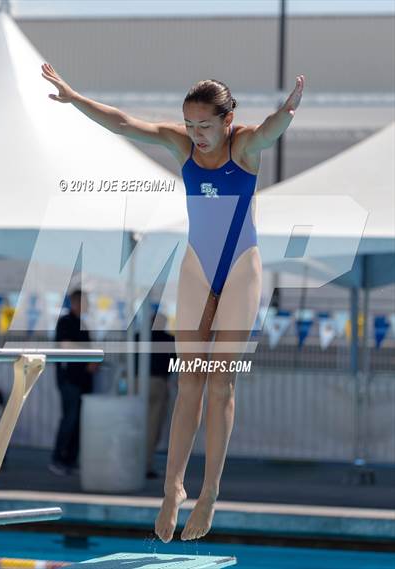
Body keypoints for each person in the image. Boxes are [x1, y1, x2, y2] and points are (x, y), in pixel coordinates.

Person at [41, 63, 304, 539]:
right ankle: (172, 490)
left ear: (226, 121)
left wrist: (286, 112)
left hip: (241, 267)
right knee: (189, 383)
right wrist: (75, 98)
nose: (195, 134)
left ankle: (210, 494)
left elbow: (269, 133)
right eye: (188, 124)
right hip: (196, 269)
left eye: (204, 125)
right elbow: (123, 123)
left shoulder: (242, 147)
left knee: (221, 386)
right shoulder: (182, 148)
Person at [49, 288, 99, 475]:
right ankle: (57, 459)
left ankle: (70, 460)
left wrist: (93, 360)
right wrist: (89, 356)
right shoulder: (65, 322)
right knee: (69, 419)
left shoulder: (83, 324)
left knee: (79, 421)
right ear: (75, 303)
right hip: (69, 379)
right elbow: (65, 344)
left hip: (84, 381)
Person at [135, 309, 176, 479]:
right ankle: (145, 465)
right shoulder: (168, 340)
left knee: (135, 425)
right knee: (152, 428)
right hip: (157, 383)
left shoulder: (138, 337)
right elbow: (174, 362)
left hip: (137, 382)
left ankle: (133, 463)